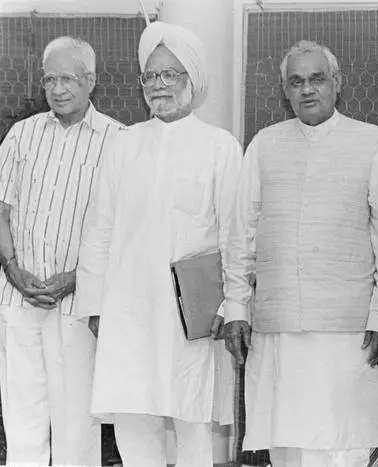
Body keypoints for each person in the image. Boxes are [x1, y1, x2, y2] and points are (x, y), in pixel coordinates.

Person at [223, 39, 378, 467]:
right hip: (279, 334)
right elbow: (241, 237)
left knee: (345, 447)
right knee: (288, 450)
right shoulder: (264, 146)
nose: (307, 90)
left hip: (350, 335)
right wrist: (236, 307)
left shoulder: (371, 142)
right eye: (296, 81)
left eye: (317, 79)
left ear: (336, 84)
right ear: (285, 92)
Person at [74, 21, 242, 466]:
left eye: (171, 74)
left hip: (192, 318)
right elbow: (99, 232)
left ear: (192, 81)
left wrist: (233, 308)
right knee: (133, 424)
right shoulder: (123, 146)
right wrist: (94, 305)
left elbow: (236, 237)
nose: (159, 85)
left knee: (192, 425)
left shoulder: (220, 147)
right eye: (150, 76)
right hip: (128, 313)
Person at [0, 36, 123, 466]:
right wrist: (13, 269)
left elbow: (122, 231)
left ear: (91, 80)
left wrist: (74, 278)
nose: (57, 89)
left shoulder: (118, 141)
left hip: (80, 305)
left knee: (76, 423)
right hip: (19, 300)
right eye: (49, 79)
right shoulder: (22, 135)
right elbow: (1, 210)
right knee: (22, 418)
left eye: (67, 78)